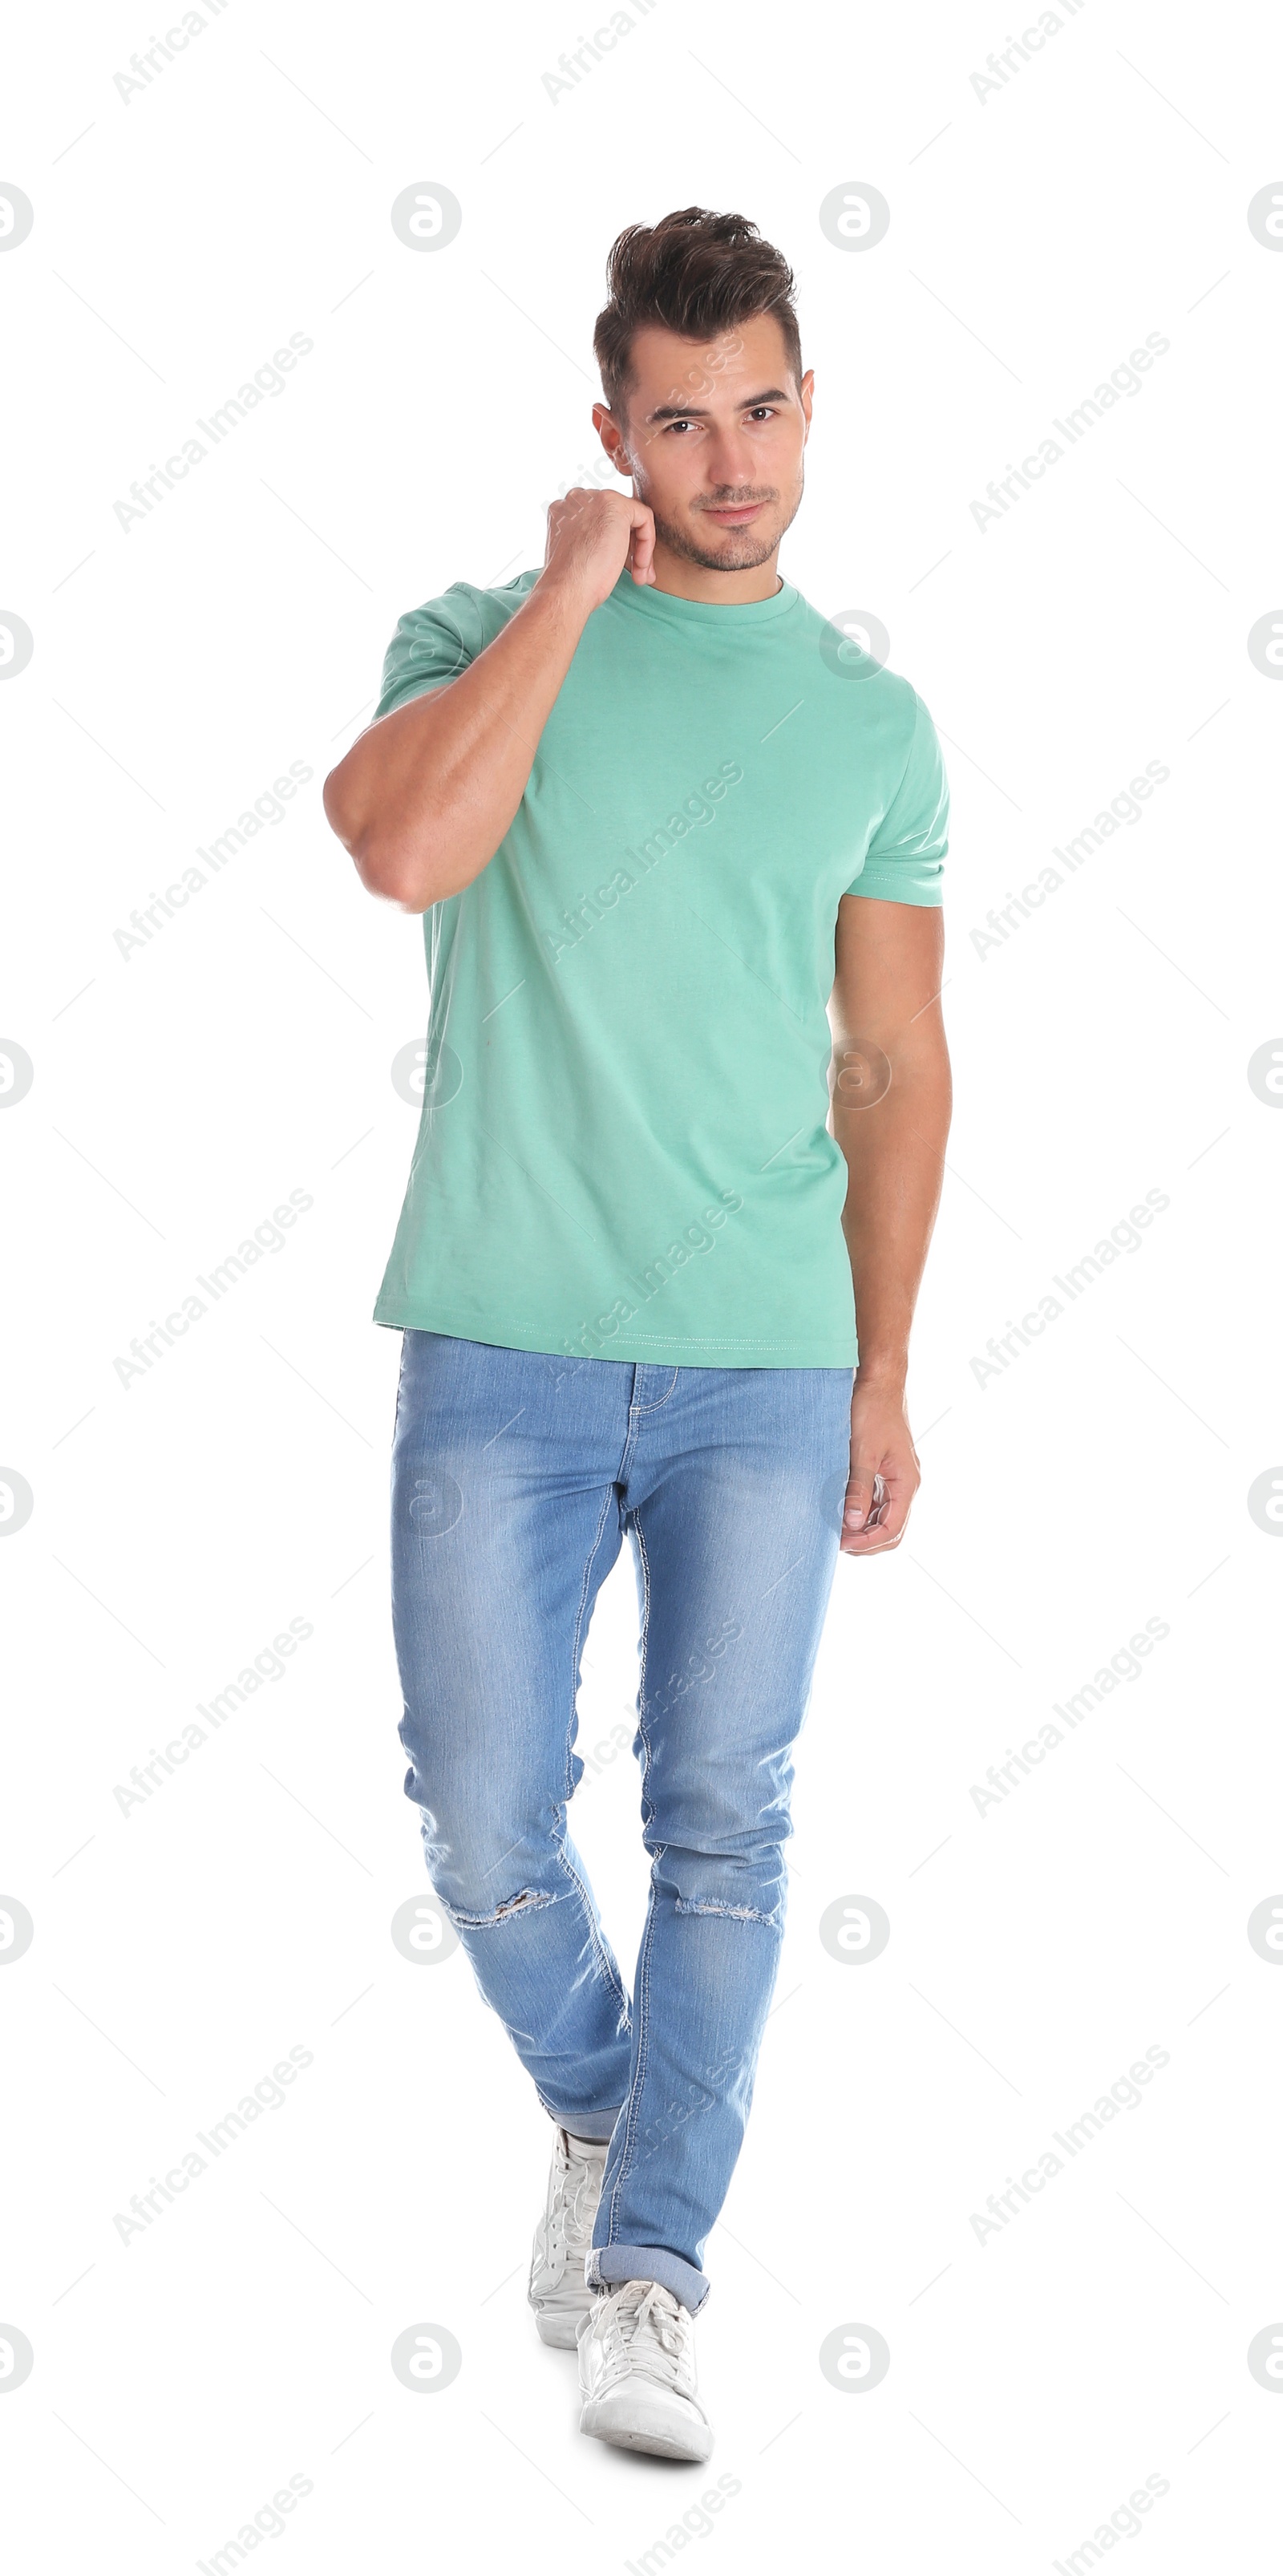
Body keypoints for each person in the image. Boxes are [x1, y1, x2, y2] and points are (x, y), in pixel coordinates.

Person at [323, 206, 951, 2463]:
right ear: (612, 435)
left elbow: (892, 1061)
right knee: (483, 1812)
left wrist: (882, 1363)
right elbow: (401, 848)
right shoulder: (481, 634)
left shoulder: (872, 722)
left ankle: (655, 2263)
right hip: (499, 1328)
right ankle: (606, 2107)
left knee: (725, 1820)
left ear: (808, 407)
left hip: (766, 1359)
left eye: (763, 407)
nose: (732, 458)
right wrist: (577, 597)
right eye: (680, 422)